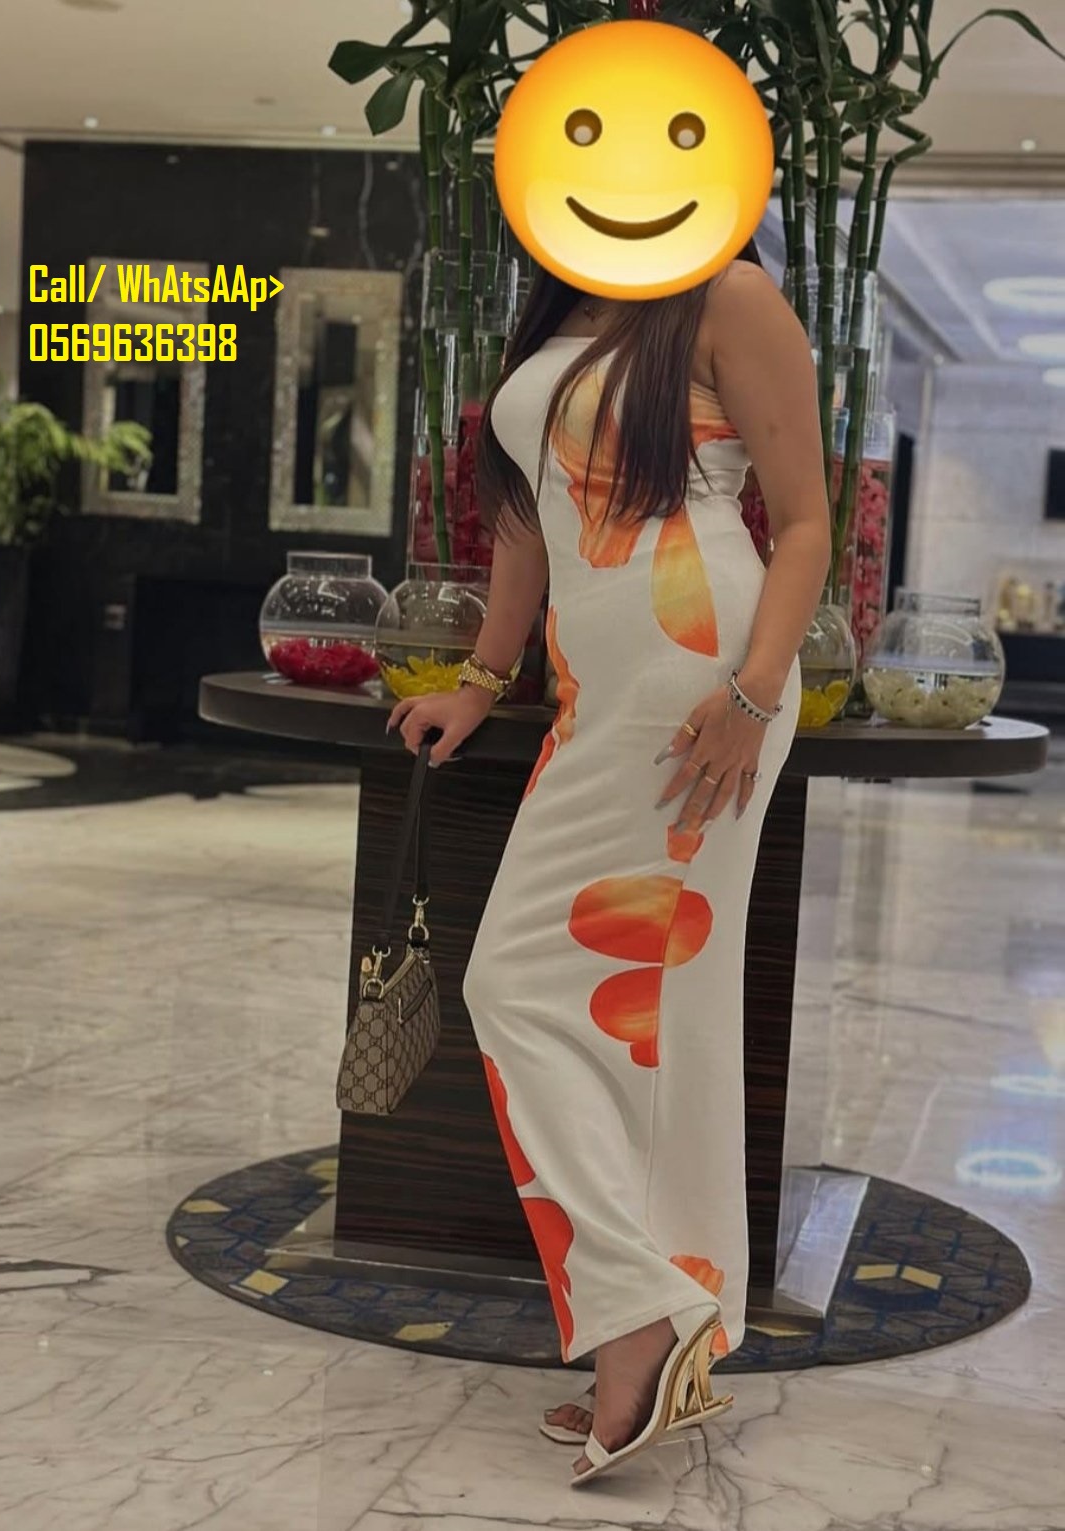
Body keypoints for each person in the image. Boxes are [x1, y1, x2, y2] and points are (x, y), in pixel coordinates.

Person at [387, 243, 831, 1484]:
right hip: (601, 685)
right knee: (629, 1013)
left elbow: (804, 522)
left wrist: (753, 695)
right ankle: (664, 1310)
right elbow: (530, 520)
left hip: (702, 673)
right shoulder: (563, 294)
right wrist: (483, 681)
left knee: (533, 988)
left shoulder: (729, 295)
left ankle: (644, 1314)